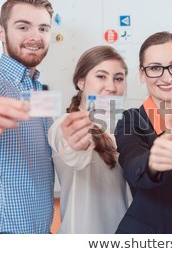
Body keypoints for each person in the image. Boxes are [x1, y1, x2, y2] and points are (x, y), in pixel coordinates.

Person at [114, 31, 172, 234]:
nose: (167, 77)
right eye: (155, 68)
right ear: (142, 74)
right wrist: (151, 162)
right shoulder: (131, 122)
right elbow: (133, 166)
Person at [0, 0, 54, 234]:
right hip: (4, 233)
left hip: (43, 230)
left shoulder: (42, 89)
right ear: (1, 32)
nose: (36, 37)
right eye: (23, 27)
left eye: (43, 28)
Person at [48, 45, 130, 234]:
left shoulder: (125, 127)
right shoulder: (64, 125)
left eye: (118, 78)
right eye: (101, 76)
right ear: (81, 82)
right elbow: (73, 154)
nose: (111, 87)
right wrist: (74, 145)